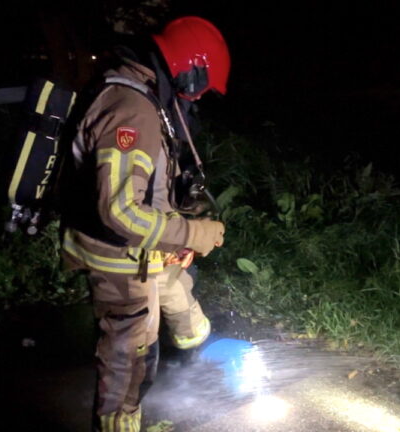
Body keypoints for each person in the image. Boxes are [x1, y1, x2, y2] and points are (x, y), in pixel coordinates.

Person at [60, 16, 230, 432]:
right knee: (132, 356)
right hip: (119, 259)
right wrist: (194, 234)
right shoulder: (131, 109)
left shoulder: (146, 96)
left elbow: (149, 187)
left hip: (144, 249)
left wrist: (184, 227)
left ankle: (199, 362)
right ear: (189, 69)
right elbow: (119, 212)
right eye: (200, 86)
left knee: (179, 296)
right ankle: (118, 425)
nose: (198, 97)